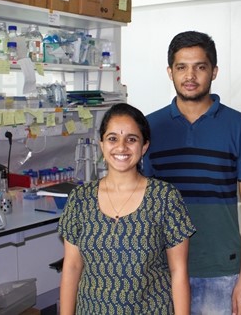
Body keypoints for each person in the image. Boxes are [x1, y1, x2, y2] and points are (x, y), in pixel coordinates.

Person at [143, 31, 241, 315]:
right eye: (181, 67)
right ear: (170, 72)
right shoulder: (150, 127)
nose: (190, 75)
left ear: (214, 71)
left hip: (221, 270)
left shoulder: (240, 127)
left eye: (200, 66)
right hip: (160, 271)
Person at [58, 103, 196, 315]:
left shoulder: (164, 198)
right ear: (101, 145)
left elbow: (178, 271)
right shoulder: (80, 199)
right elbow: (72, 267)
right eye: (113, 138)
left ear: (144, 147)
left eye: (131, 139)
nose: (121, 147)